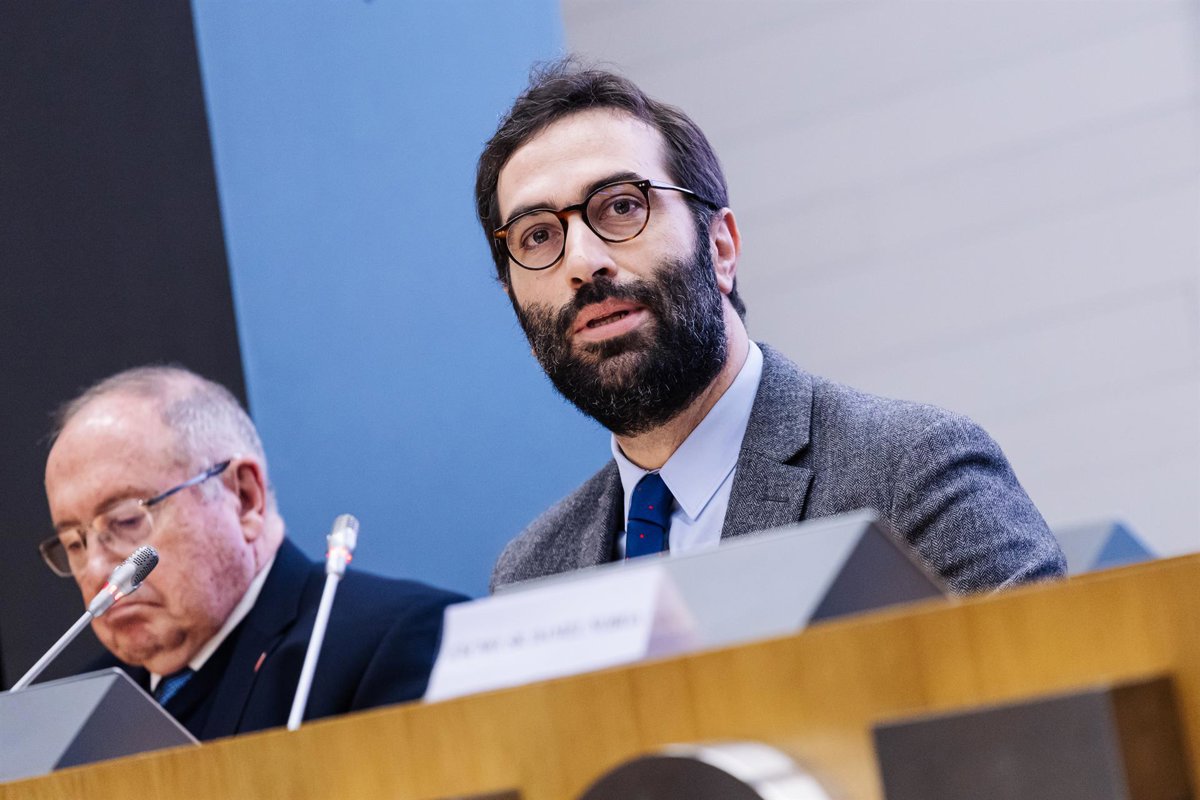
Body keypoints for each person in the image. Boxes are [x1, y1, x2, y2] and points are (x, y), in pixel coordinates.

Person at [477, 60, 1065, 594]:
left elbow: (1055, 679)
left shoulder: (913, 471)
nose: (582, 262)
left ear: (721, 248)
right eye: (538, 236)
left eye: (622, 205)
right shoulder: (530, 574)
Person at [40, 366, 464, 740]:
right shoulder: (75, 716)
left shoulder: (387, 643)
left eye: (127, 520)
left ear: (244, 498)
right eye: (75, 543)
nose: (96, 567)